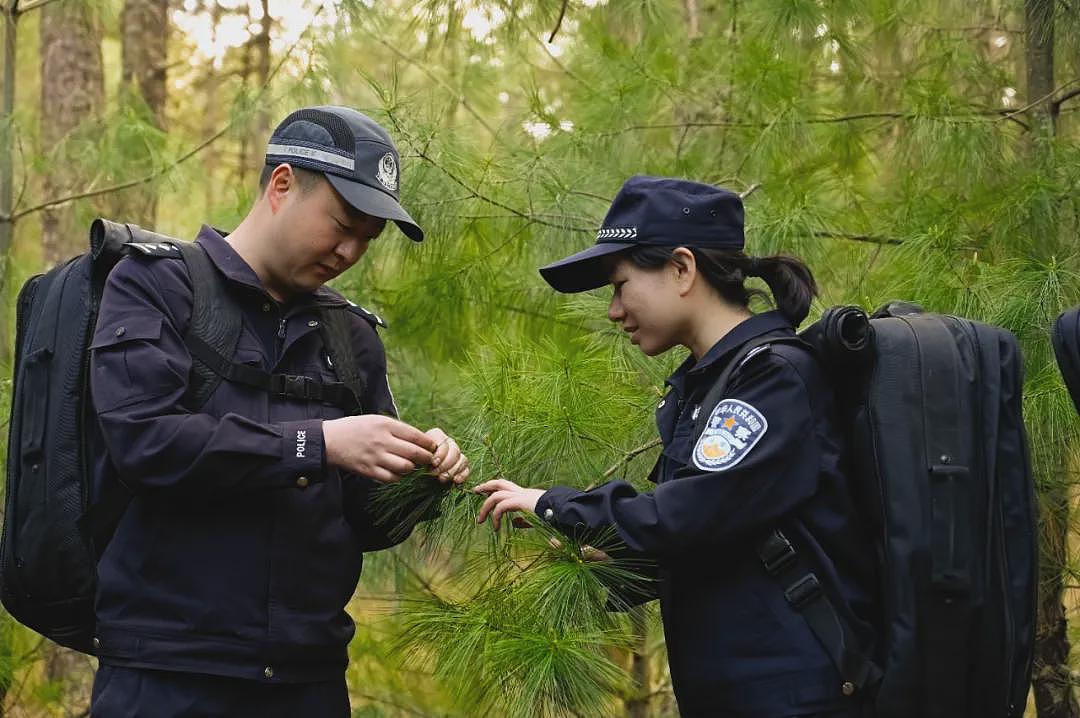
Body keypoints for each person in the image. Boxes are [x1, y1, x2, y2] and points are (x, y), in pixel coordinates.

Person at [88, 106, 469, 717]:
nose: (349, 251)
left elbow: (366, 524)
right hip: (167, 673)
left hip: (308, 679)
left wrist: (423, 476)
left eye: (368, 240)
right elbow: (146, 444)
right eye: (342, 224)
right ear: (282, 184)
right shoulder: (155, 285)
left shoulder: (351, 336)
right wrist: (318, 443)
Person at [475, 176, 877, 718]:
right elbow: (719, 537)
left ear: (682, 268)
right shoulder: (710, 385)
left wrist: (555, 505)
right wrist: (609, 554)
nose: (614, 310)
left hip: (796, 694)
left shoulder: (771, 378)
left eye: (620, 285)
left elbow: (691, 512)